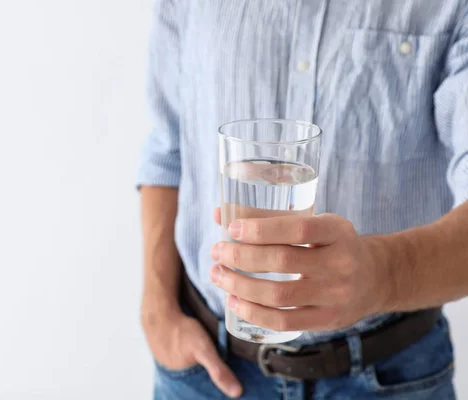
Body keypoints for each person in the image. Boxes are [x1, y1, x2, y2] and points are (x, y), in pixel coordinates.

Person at [137, 2, 468, 399]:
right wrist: (158, 309)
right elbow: (168, 149)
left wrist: (384, 273)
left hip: (391, 376)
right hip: (204, 373)